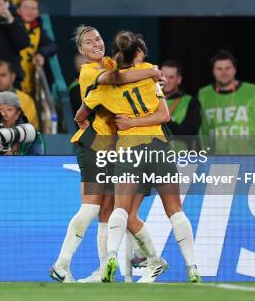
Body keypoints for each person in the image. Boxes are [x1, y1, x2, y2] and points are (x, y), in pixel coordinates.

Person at [75, 31, 200, 284]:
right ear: (140, 53)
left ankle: (111, 258)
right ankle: (192, 267)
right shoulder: (149, 74)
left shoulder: (105, 85)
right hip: (159, 147)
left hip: (130, 149)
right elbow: (164, 115)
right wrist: (153, 71)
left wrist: (92, 121)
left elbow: (80, 115)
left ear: (117, 54)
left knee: (120, 210)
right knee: (175, 211)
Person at [50, 26, 163, 284]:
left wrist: (153, 79)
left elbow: (132, 69)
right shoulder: (89, 71)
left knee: (108, 211)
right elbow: (117, 80)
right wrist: (154, 72)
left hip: (115, 147)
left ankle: (103, 270)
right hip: (93, 145)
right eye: (88, 42)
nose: (96, 44)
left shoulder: (113, 61)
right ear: (81, 50)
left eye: (98, 39)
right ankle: (61, 264)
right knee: (90, 208)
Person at [198, 50, 255, 154]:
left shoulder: (251, 91)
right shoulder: (203, 94)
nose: (224, 72)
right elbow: (193, 126)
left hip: (248, 157)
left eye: (228, 68)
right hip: (214, 158)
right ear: (213, 71)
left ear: (234, 70)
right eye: (219, 69)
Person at [16, 0, 57, 96]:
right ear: (18, 10)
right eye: (26, 7)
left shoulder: (38, 30)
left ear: (38, 13)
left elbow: (52, 46)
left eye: (33, 8)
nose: (30, 11)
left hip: (30, 82)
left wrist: (41, 53)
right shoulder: (11, 26)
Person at [160, 60, 201, 150]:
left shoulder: (190, 101)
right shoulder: (150, 100)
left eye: (171, 77)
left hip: (181, 158)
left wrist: (165, 121)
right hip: (152, 158)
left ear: (179, 79)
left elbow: (189, 133)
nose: (166, 81)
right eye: (163, 76)